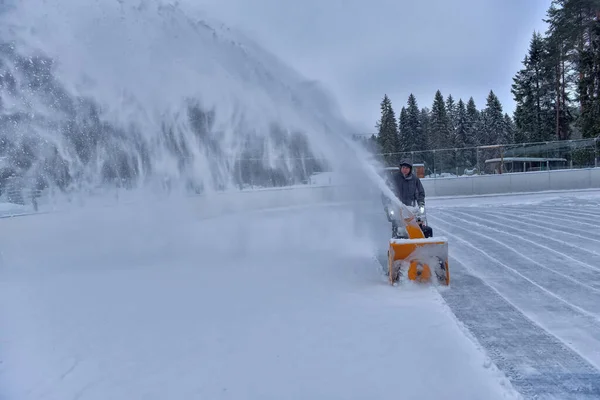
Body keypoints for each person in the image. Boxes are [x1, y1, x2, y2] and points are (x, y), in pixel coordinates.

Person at [388, 159, 432, 237]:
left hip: (411, 210)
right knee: (397, 229)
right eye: (403, 168)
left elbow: (420, 193)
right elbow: (386, 194)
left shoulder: (414, 180)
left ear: (410, 169)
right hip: (397, 209)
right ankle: (396, 244)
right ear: (400, 168)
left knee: (418, 227)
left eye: (407, 168)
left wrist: (421, 204)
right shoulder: (393, 179)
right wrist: (387, 207)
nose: (405, 170)